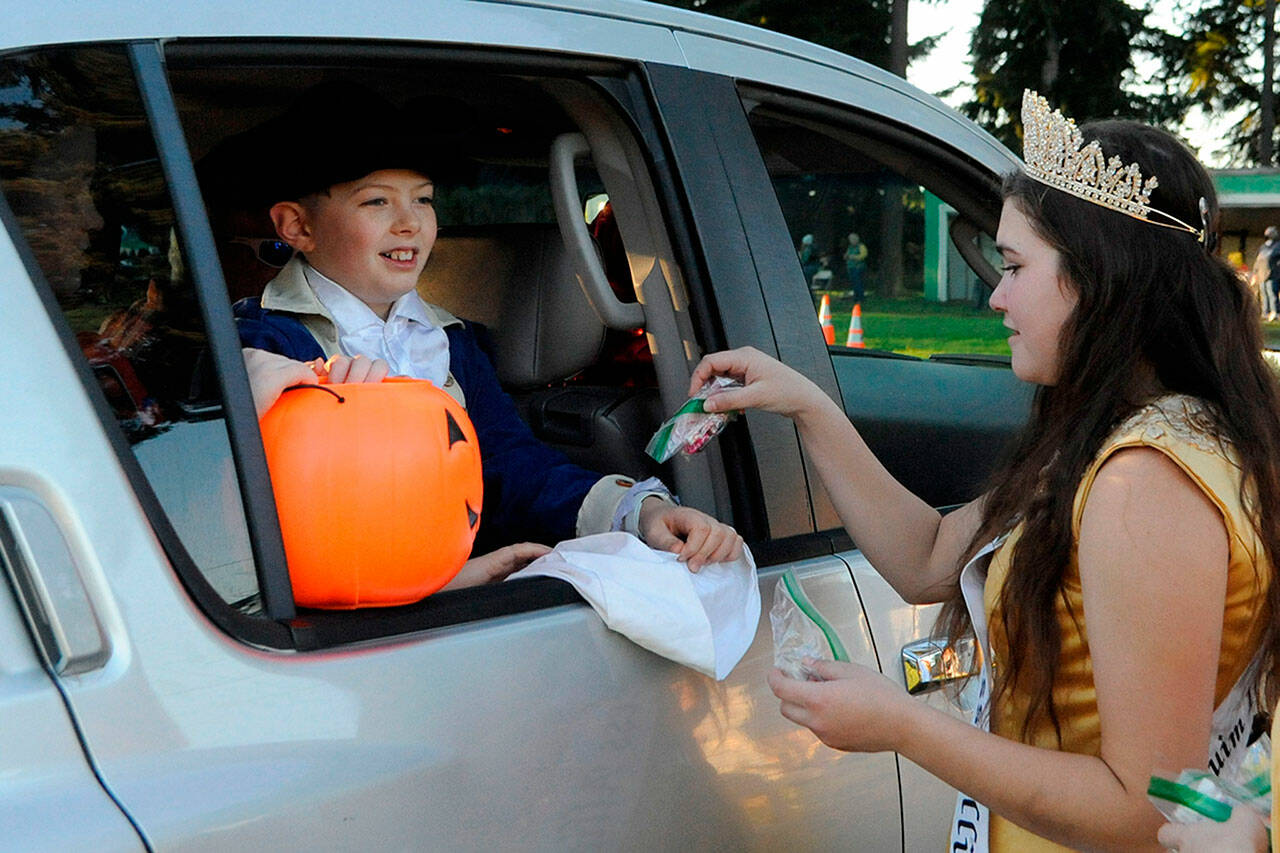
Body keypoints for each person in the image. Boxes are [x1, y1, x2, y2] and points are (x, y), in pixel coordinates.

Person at [689, 91, 1280, 850]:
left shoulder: (1146, 481)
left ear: (1099, 276)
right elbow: (934, 559)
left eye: (1013, 265)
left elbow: (1146, 807)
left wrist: (905, 724)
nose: (995, 295)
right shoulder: (1146, 429)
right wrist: (809, 406)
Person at [223, 83, 742, 588]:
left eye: (423, 200)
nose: (410, 223)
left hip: (459, 603)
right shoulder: (260, 345)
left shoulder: (455, 343)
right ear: (296, 226)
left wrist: (638, 512)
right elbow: (251, 521)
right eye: (376, 202)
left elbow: (507, 463)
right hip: (336, 614)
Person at [1252, 225, 1279, 321]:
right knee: (1264, 294)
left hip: (1273, 274)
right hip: (1261, 274)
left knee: (1272, 293)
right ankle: (1265, 312)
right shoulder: (1263, 247)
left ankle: (1275, 312)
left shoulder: (1278, 246)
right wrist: (1255, 273)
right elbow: (1257, 261)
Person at [843, 232, 868, 303]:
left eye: (852, 239)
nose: (851, 241)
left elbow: (863, 255)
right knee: (854, 283)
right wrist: (846, 256)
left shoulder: (861, 246)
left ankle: (861, 298)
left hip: (858, 267)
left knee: (859, 283)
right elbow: (847, 254)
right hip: (851, 267)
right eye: (850, 239)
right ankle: (856, 298)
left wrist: (853, 257)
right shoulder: (850, 247)